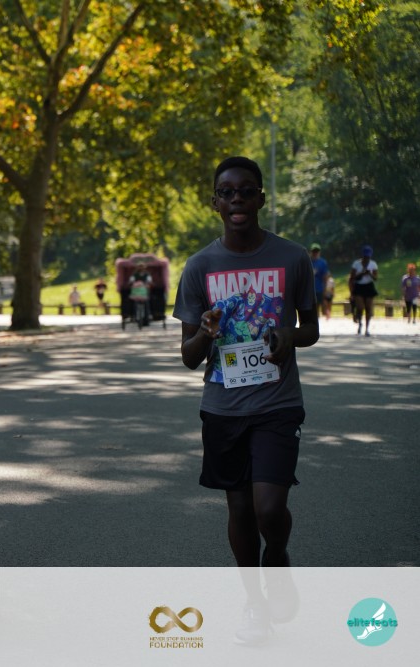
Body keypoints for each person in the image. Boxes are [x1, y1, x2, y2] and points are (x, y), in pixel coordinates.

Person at [173, 156, 318, 642]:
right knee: (240, 511)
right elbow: (189, 356)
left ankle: (277, 559)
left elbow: (311, 328)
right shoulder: (200, 266)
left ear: (261, 198)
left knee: (269, 510)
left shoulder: (292, 257)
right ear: (214, 202)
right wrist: (206, 333)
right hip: (223, 408)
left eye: (246, 190)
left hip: (278, 402)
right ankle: (255, 605)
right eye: (227, 192)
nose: (237, 199)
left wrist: (289, 336)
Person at [350, 245, 379, 336]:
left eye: (368, 257)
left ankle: (367, 328)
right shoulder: (356, 264)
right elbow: (352, 277)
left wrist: (370, 273)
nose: (366, 258)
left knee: (368, 307)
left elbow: (375, 278)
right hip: (359, 286)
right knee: (360, 307)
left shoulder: (373, 264)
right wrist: (362, 273)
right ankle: (360, 322)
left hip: (369, 286)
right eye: (365, 256)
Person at [308, 243, 330, 317]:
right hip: (309, 289)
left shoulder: (322, 262)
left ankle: (316, 321)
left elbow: (325, 276)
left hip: (319, 288)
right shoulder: (307, 261)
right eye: (314, 251)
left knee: (317, 307)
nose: (315, 253)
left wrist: (325, 289)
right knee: (309, 308)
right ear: (311, 252)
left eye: (317, 251)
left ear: (319, 252)